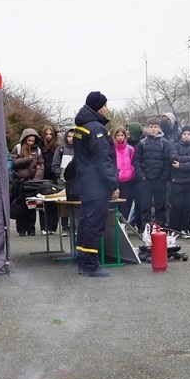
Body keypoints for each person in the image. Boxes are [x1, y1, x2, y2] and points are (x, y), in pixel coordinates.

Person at [71, 91, 119, 277]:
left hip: (85, 182)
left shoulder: (82, 127)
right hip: (97, 184)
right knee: (94, 224)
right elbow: (102, 160)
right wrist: (113, 183)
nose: (107, 109)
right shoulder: (96, 129)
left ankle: (83, 259)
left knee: (86, 222)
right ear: (98, 107)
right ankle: (90, 264)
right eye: (105, 105)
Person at [132, 118, 171, 228]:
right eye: (151, 127)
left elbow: (168, 161)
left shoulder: (165, 143)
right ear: (147, 128)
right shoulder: (142, 143)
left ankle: (160, 227)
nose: (153, 129)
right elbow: (136, 160)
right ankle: (145, 227)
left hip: (159, 179)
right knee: (145, 205)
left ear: (159, 128)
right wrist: (141, 175)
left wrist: (164, 177)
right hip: (146, 178)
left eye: (155, 127)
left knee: (160, 205)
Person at [10, 128, 45, 235]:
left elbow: (41, 166)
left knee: (32, 206)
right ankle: (21, 229)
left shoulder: (38, 150)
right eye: (29, 140)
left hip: (32, 183)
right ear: (25, 139)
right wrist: (27, 159)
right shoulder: (18, 148)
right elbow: (14, 162)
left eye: (33, 141)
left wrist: (36, 180)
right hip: (20, 181)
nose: (31, 143)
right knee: (20, 206)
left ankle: (31, 229)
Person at [168, 125, 190, 234]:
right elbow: (174, 159)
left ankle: (185, 229)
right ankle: (174, 229)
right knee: (177, 206)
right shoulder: (175, 146)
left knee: (189, 206)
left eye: (188, 134)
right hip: (177, 181)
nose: (186, 136)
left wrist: (182, 165)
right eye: (184, 134)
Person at [112, 125, 136, 226]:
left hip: (128, 180)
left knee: (126, 203)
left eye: (122, 135)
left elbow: (133, 162)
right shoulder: (112, 149)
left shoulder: (130, 149)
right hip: (116, 180)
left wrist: (132, 173)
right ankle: (114, 223)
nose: (120, 137)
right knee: (115, 202)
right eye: (118, 135)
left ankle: (123, 223)